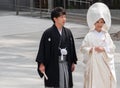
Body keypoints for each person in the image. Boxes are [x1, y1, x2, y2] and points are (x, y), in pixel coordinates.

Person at [36, 7, 77, 88]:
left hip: (65, 63)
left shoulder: (68, 32)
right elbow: (42, 49)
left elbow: (72, 48)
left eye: (65, 17)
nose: (64, 19)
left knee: (66, 83)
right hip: (52, 64)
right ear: (55, 19)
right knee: (54, 83)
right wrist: (41, 64)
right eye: (61, 17)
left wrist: (72, 62)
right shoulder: (48, 33)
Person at [80, 2, 117, 88]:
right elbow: (83, 48)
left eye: (101, 22)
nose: (100, 24)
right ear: (94, 22)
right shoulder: (89, 35)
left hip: (104, 63)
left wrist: (104, 49)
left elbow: (112, 48)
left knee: (104, 83)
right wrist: (91, 49)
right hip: (93, 63)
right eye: (98, 22)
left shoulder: (106, 35)